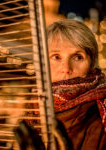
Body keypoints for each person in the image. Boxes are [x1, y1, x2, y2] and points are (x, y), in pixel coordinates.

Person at [14, 19, 106, 150]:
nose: (66, 68)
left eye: (78, 57)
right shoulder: (33, 109)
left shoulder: (102, 114)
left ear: (91, 64)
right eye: (56, 57)